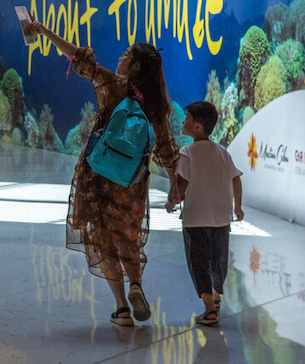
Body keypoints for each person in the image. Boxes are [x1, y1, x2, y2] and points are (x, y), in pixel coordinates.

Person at [24, 19, 179, 327]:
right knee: (127, 238)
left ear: (135, 67)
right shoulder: (156, 105)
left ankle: (122, 309)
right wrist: (174, 186)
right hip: (131, 183)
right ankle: (136, 285)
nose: (120, 57)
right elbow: (166, 149)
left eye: (126, 55)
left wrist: (44, 31)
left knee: (103, 241)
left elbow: (77, 57)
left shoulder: (113, 86)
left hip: (97, 177)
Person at [169, 101, 243, 327]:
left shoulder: (187, 153)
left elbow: (182, 184)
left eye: (187, 118)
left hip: (195, 219)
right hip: (221, 218)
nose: (183, 121)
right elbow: (236, 179)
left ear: (197, 126)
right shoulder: (222, 152)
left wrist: (173, 200)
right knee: (217, 260)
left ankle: (209, 309)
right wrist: (237, 207)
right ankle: (216, 296)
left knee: (198, 263)